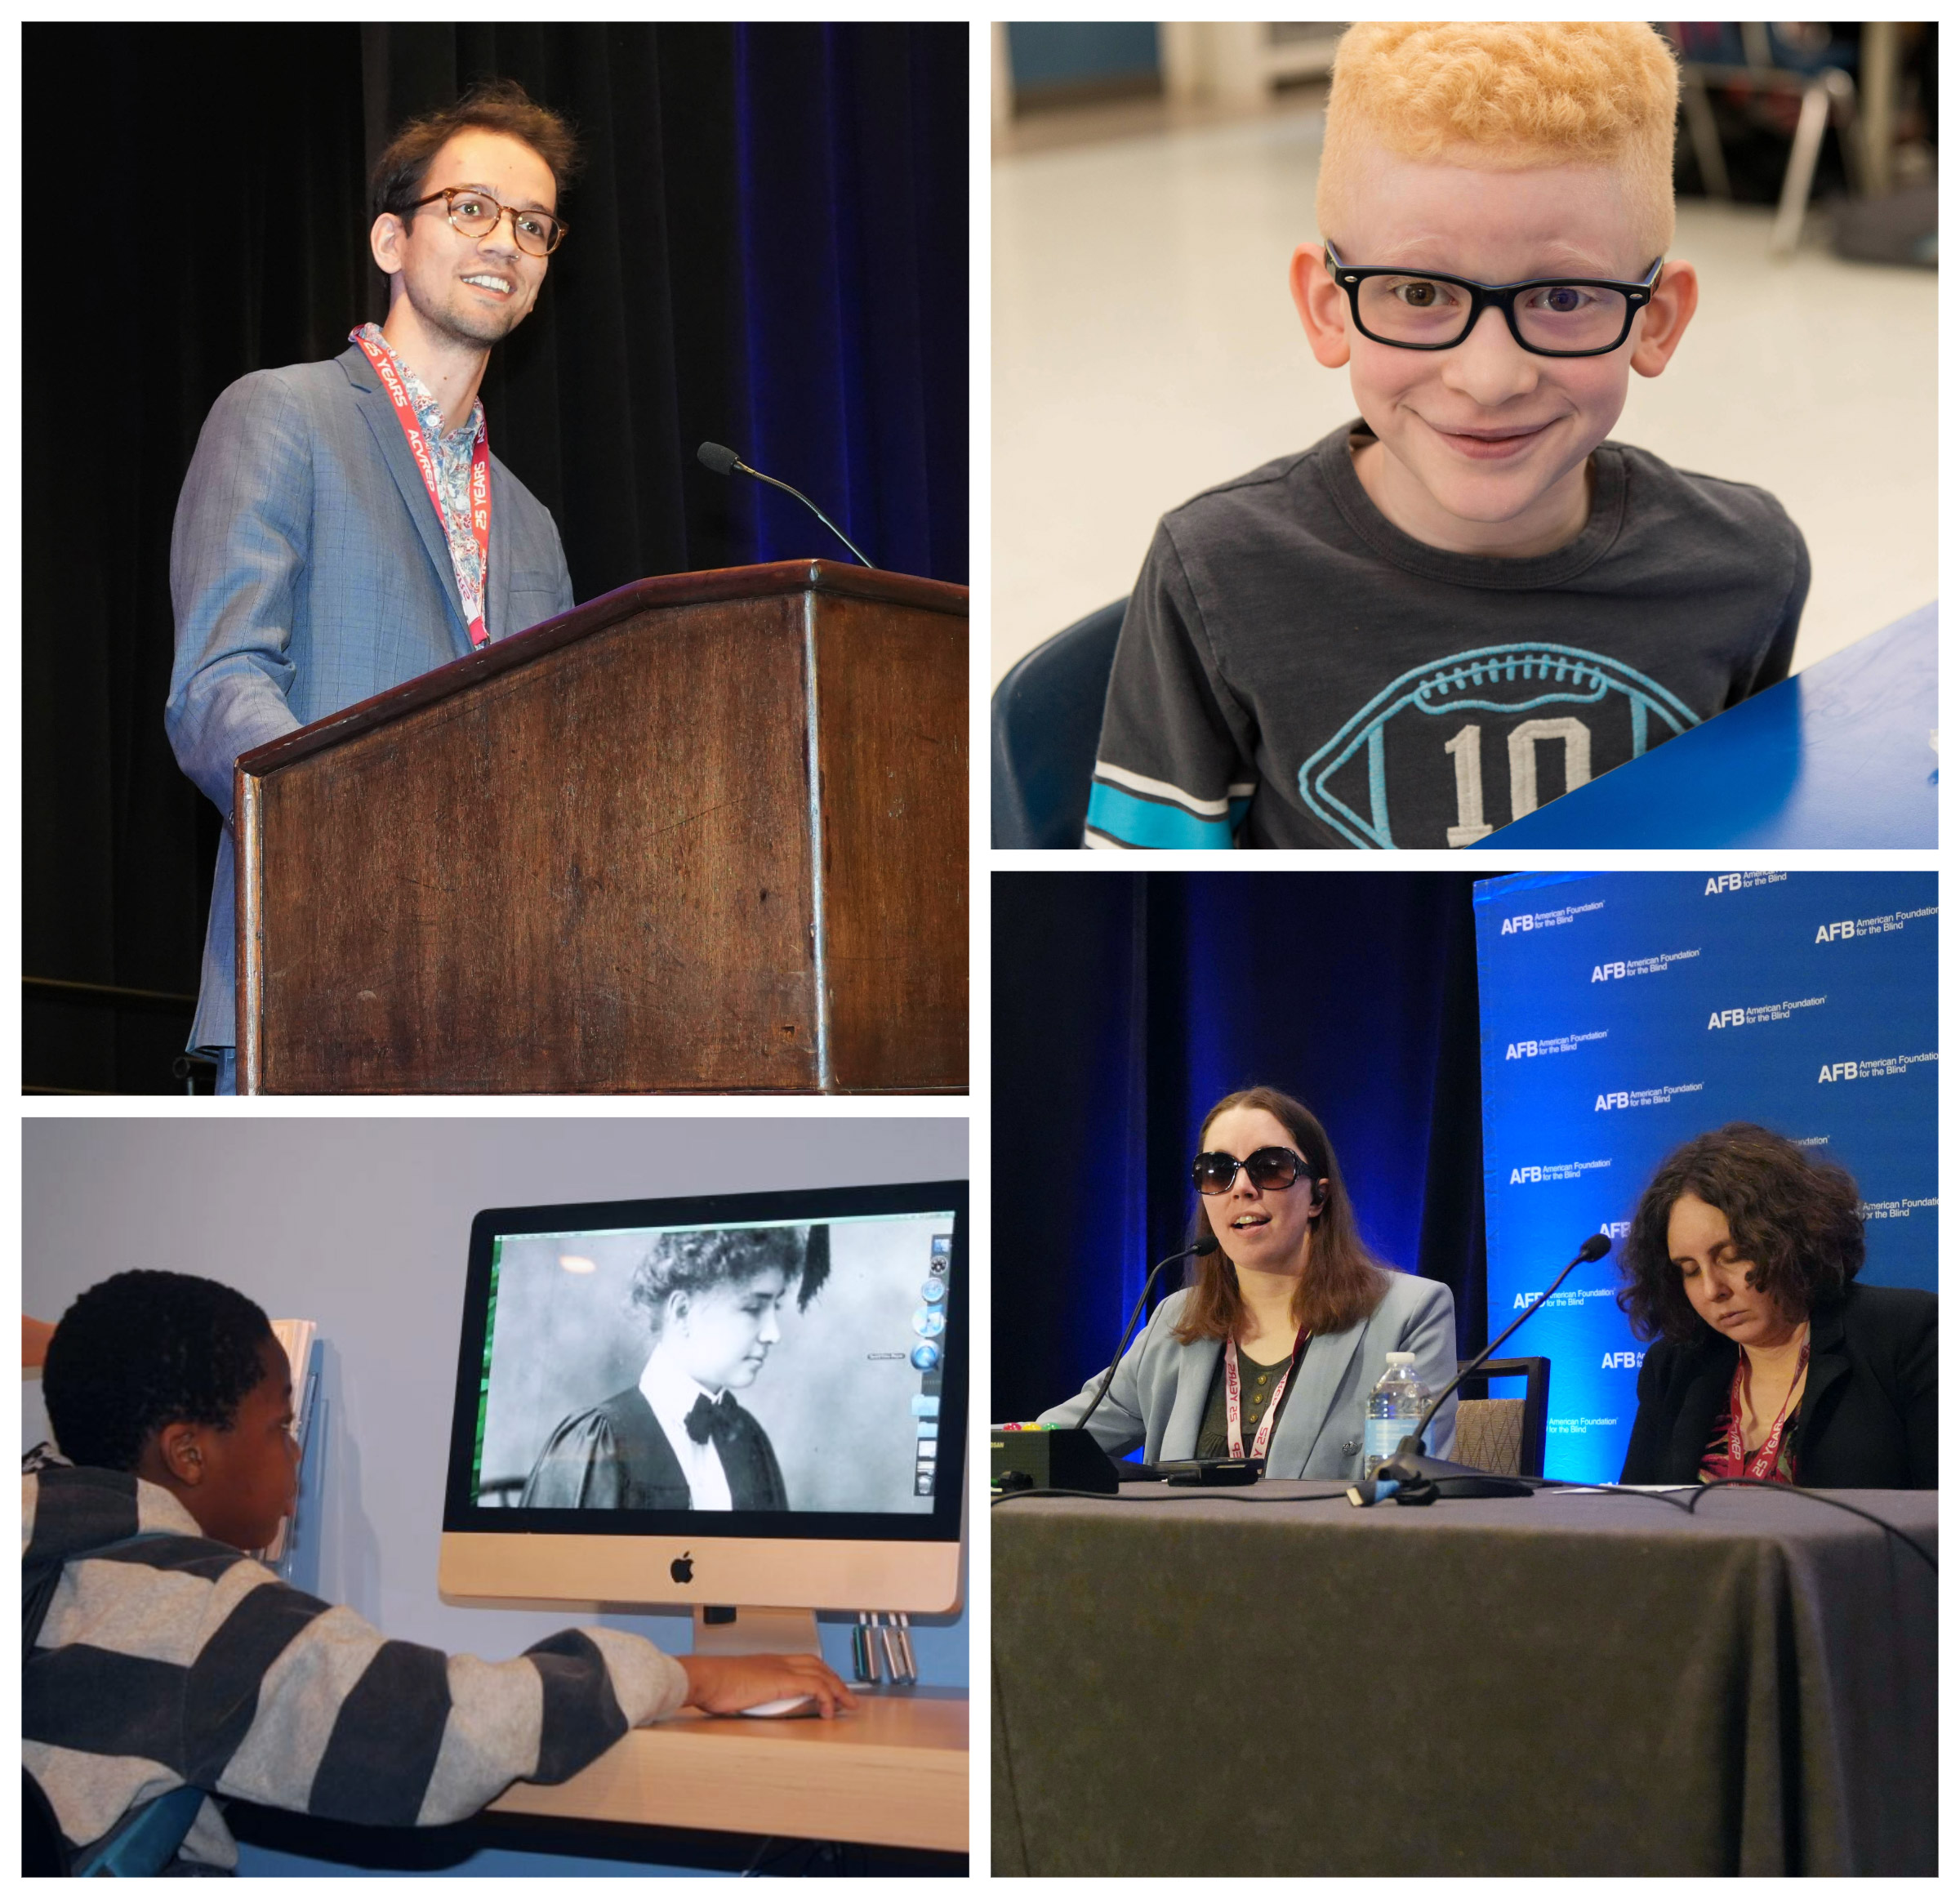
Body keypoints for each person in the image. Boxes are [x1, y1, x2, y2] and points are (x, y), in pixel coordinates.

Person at [1085, 22, 1806, 849]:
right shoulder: (1213, 571)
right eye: (1420, 294)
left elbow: (1747, 864)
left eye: (1564, 298)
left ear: (1656, 321)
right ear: (1329, 311)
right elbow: (1149, 899)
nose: (1489, 377)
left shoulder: (1749, 567)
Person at [23, 1272, 852, 1876]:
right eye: (280, 1426)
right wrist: (688, 1677)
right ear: (188, 1453)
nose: (296, 1454)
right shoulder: (208, 1616)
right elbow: (451, 1733)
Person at [166, 80, 582, 1091]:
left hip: (502, 1011)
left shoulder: (531, 525)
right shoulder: (283, 416)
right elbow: (219, 689)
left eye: (533, 226)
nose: (505, 242)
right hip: (316, 976)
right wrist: (374, 857)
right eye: (471, 208)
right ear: (391, 242)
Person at [1038, 1086, 1458, 1474]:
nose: (1241, 1187)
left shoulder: (1411, 1311)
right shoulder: (1174, 1320)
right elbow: (1055, 1439)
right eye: (1217, 1171)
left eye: (1270, 1168)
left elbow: (1404, 1487)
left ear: (1318, 1197)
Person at [1616, 1125, 1936, 1487]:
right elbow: (1638, 1515)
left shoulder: (1907, 1333)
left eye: (1733, 1256)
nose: (1712, 1289)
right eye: (1689, 1270)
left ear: (1787, 1240)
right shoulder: (1673, 1366)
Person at [522, 1226, 830, 1509]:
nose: (773, 1333)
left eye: (774, 1308)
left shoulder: (748, 1439)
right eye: (752, 1308)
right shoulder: (599, 1442)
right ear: (682, 1311)